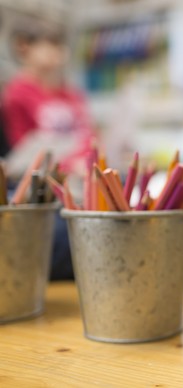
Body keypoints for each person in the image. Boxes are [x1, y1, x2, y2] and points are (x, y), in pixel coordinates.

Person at [2, 22, 96, 280]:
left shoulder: (72, 94)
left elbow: (89, 138)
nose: (56, 53)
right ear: (25, 48)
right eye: (48, 45)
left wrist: (83, 163)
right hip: (42, 184)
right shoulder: (16, 95)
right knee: (63, 232)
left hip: (80, 180)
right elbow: (21, 149)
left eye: (59, 46)